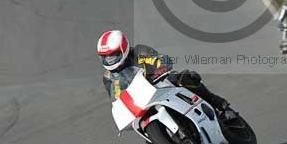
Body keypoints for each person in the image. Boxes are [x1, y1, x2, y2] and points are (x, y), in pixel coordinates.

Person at [97, 29, 237, 119]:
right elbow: (117, 99)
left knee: (185, 78)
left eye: (113, 55)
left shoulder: (139, 52)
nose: (110, 59)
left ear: (123, 48)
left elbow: (160, 59)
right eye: (106, 56)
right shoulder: (108, 77)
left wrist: (160, 69)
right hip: (141, 101)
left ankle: (219, 105)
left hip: (162, 84)